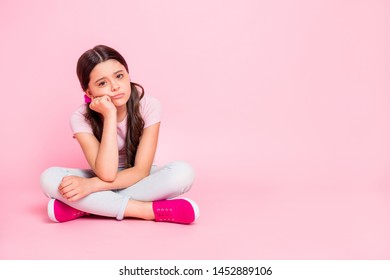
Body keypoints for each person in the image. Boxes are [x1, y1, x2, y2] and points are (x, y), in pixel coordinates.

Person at [40, 45, 199, 224]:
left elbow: (141, 170)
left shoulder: (149, 105)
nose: (115, 86)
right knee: (49, 178)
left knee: (183, 173)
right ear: (89, 92)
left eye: (119, 76)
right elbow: (107, 174)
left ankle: (88, 208)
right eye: (102, 83)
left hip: (137, 178)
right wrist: (109, 116)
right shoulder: (79, 117)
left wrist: (90, 186)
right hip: (102, 174)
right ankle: (146, 211)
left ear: (128, 74)